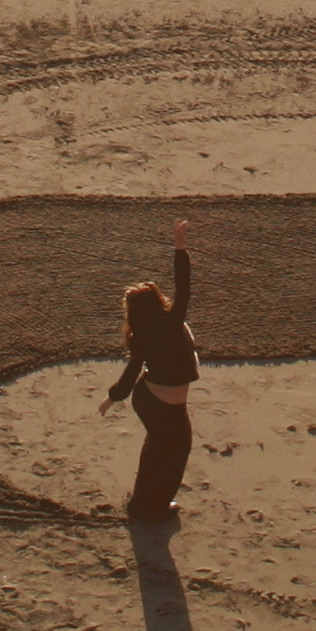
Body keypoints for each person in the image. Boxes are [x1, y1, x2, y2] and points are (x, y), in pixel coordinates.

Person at [102, 219, 198, 522]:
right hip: (162, 406)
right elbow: (184, 289)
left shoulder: (142, 334)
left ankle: (142, 504)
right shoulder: (169, 323)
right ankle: (154, 508)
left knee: (158, 451)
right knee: (174, 454)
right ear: (157, 302)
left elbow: (132, 373)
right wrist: (180, 247)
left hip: (150, 401)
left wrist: (113, 398)